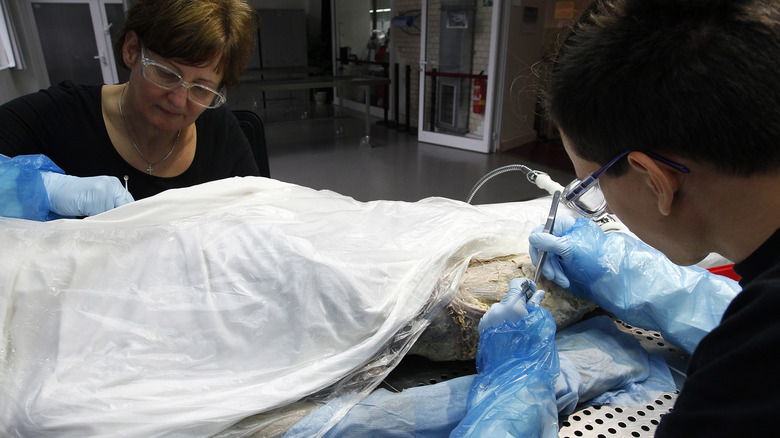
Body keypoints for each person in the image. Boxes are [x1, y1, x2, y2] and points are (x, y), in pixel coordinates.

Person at [524, 0, 780, 436]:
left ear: (655, 179)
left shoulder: (749, 372)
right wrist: (672, 296)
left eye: (593, 185)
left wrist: (507, 399)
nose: (600, 202)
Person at [0, 0, 259, 220]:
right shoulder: (57, 115)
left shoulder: (219, 129)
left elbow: (260, 213)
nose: (179, 101)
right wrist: (43, 190)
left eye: (202, 89)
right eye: (167, 74)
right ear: (132, 50)